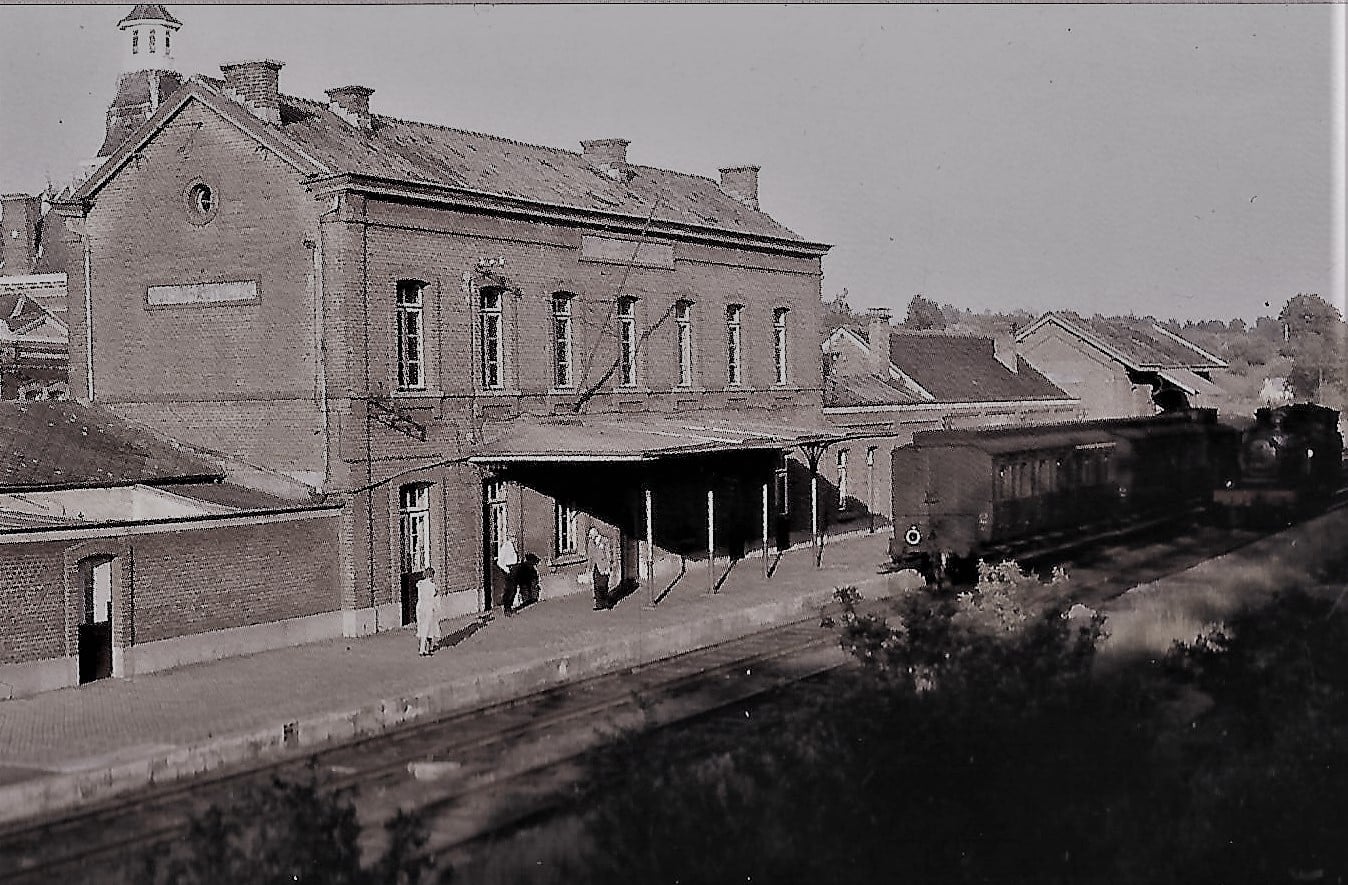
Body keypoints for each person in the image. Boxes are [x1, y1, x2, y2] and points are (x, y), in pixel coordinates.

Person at [415, 567, 439, 656]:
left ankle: (427, 647)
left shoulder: (420, 583)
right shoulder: (432, 585)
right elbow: (433, 595)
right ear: (432, 575)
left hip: (420, 606)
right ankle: (423, 649)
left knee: (422, 626)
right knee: (427, 627)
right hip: (428, 606)